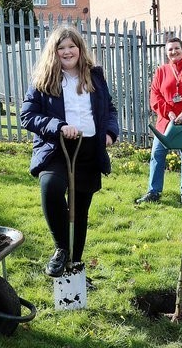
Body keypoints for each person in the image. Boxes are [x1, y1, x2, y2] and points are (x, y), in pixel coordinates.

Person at [21, 25, 120, 277]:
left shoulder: (95, 77)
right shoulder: (44, 79)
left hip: (88, 150)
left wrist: (110, 133)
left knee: (80, 210)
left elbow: (109, 109)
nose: (67, 52)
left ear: (80, 49)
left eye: (71, 46)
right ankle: (61, 249)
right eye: (61, 47)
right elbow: (27, 116)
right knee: (51, 187)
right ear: (53, 52)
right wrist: (58, 126)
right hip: (57, 148)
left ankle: (74, 267)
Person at [136, 37, 182, 206]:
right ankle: (154, 192)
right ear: (166, 53)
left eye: (176, 48)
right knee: (157, 155)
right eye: (170, 49)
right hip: (165, 124)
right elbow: (155, 95)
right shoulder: (161, 71)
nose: (174, 52)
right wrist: (169, 113)